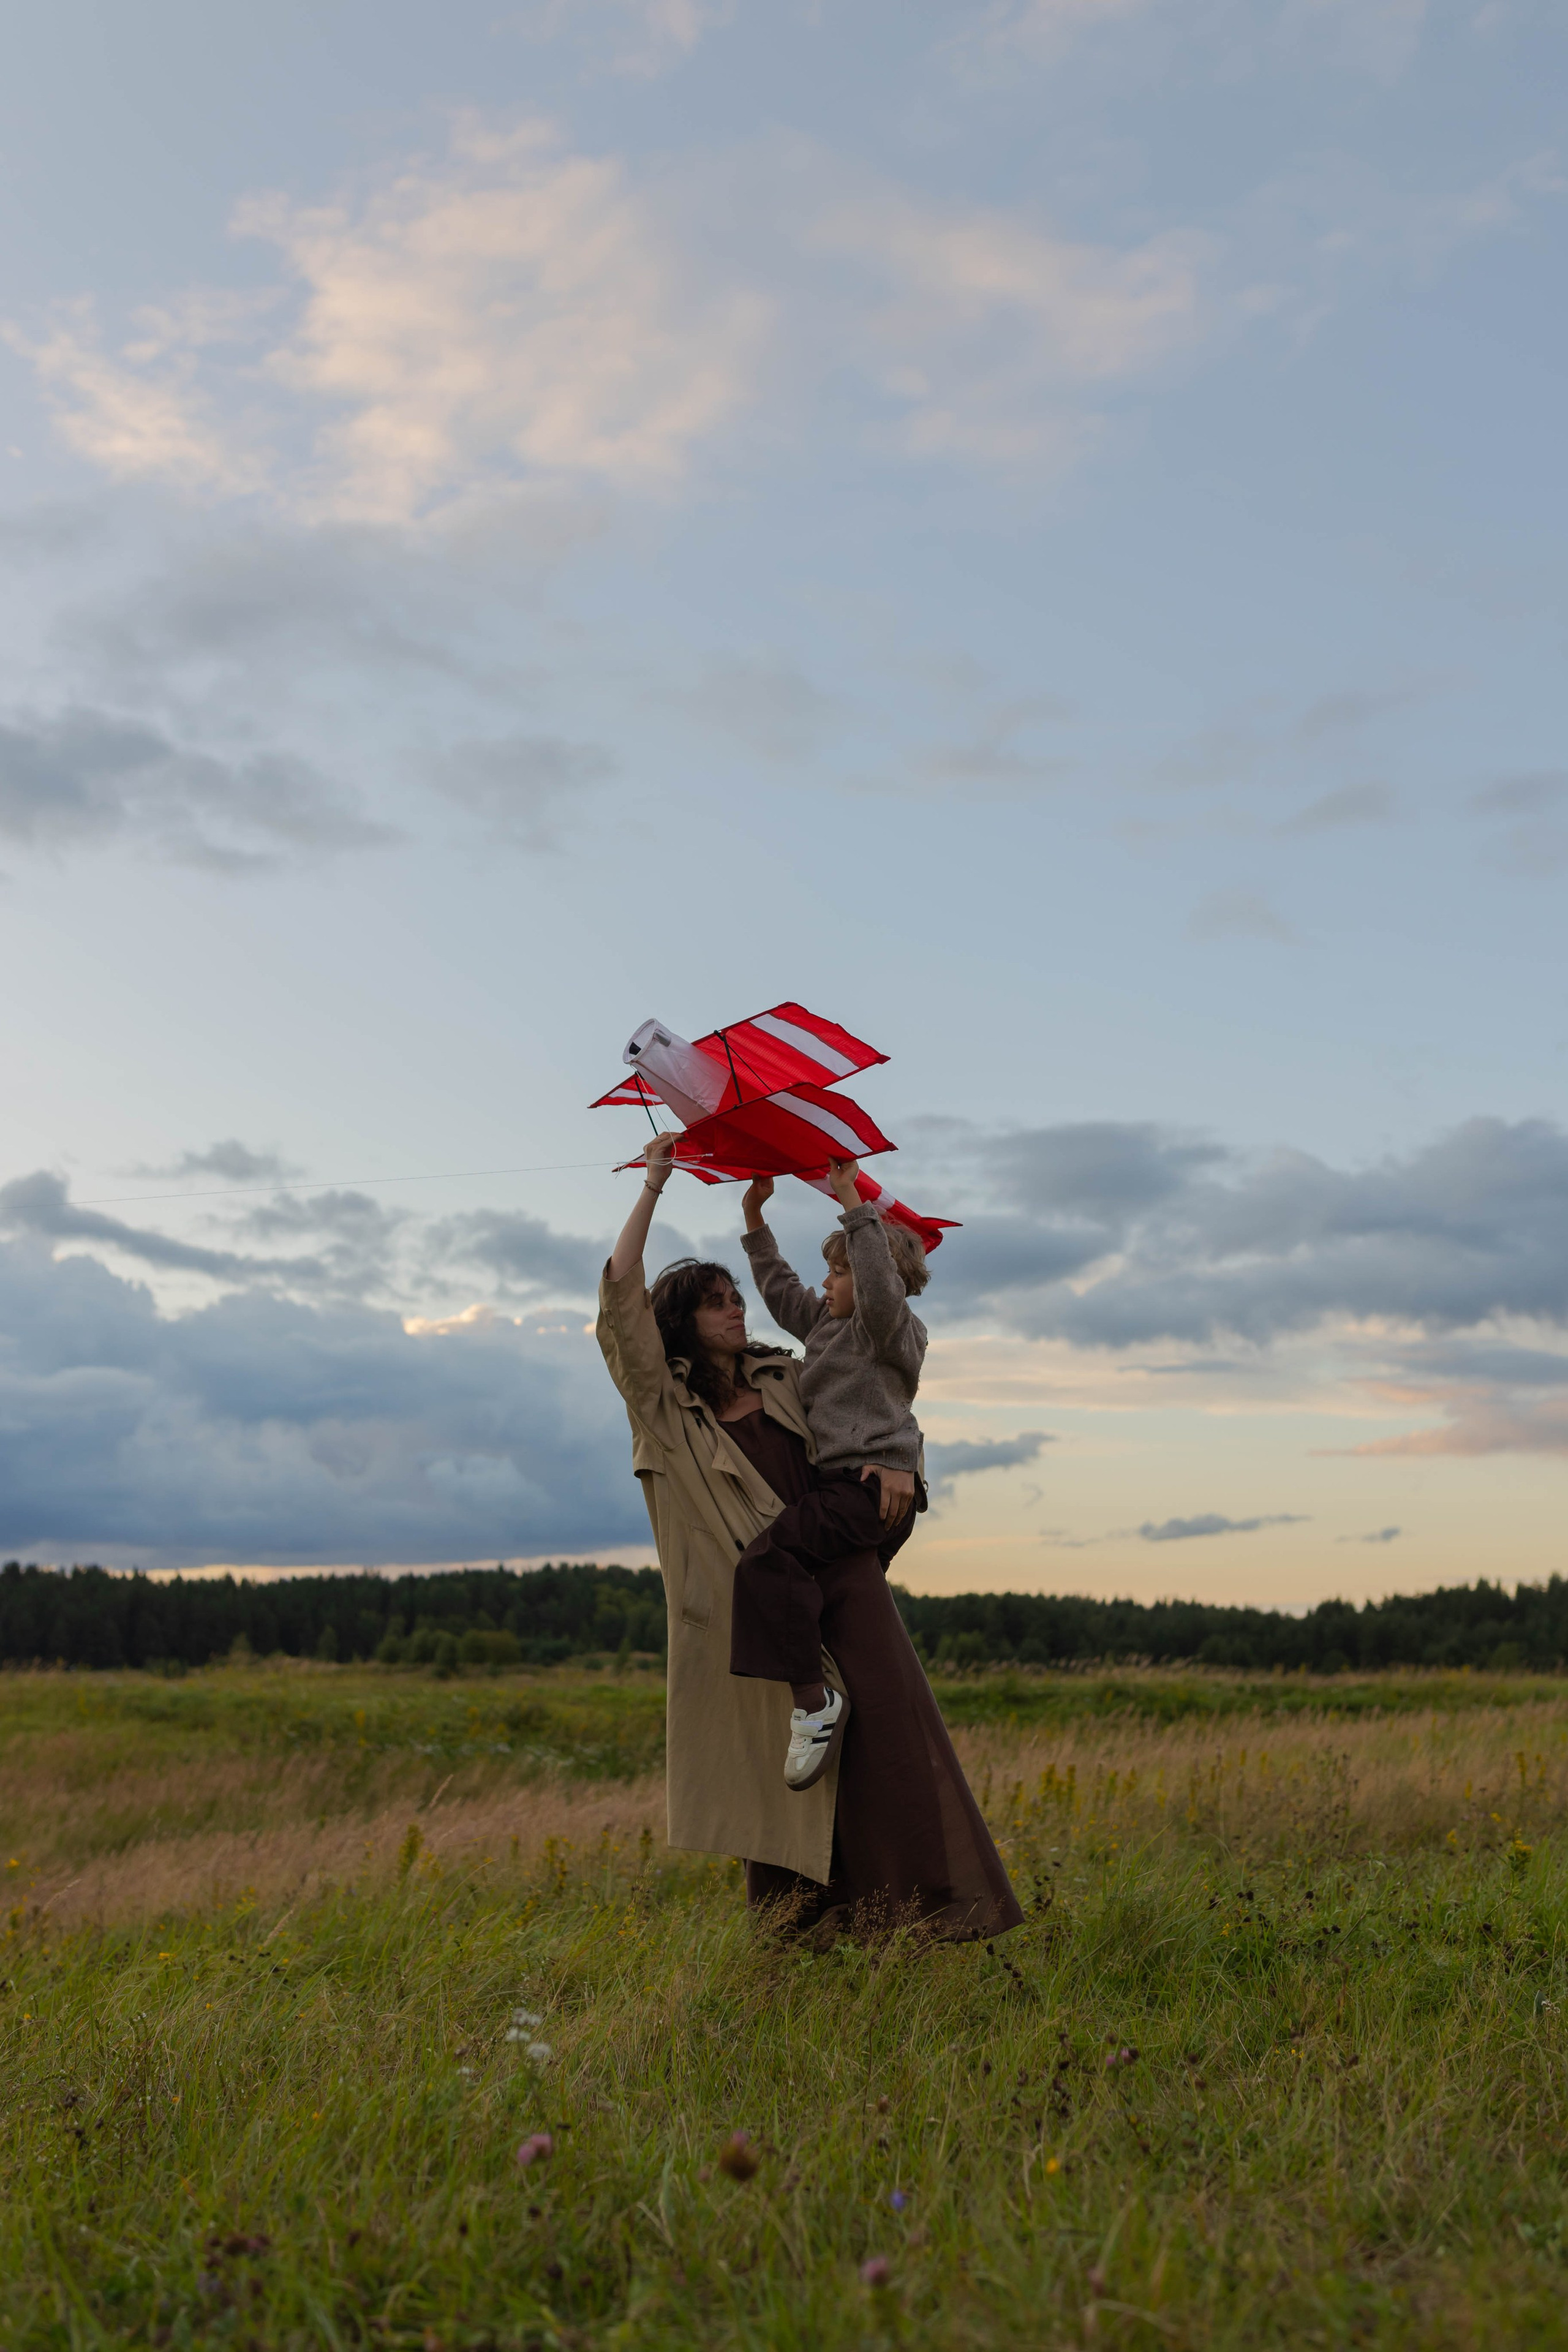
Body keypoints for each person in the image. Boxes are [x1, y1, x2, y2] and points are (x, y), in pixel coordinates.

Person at [596, 1134, 1022, 1945]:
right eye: (718, 1300)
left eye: (737, 1296)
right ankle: (802, 1944)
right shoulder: (663, 1406)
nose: (738, 1309)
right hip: (753, 1607)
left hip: (841, 1577)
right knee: (784, 1784)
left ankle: (924, 1926)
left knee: (891, 1751)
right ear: (681, 1323)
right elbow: (621, 1297)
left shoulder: (782, 1373)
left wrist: (903, 1471)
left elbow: (879, 1399)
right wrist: (655, 1187)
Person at [731, 1157, 927, 1793]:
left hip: (867, 1490)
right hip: (845, 1490)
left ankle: (813, 1705)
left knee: (769, 1560)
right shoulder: (825, 1325)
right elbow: (780, 1288)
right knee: (838, 1608)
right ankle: (857, 1718)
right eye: (831, 1271)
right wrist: (755, 1219)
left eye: (838, 1271)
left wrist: (850, 1200)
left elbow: (875, 1287)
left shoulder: (887, 1329)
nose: (827, 1282)